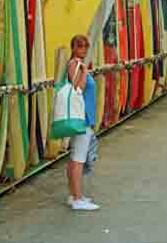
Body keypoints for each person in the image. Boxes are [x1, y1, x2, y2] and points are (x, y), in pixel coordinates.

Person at [66, 34, 100, 211]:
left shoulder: (78, 64)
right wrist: (85, 72)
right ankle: (78, 198)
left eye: (85, 46)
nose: (84, 50)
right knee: (78, 159)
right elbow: (78, 88)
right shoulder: (75, 65)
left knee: (75, 158)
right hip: (82, 118)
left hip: (84, 117)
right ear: (73, 48)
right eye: (80, 46)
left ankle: (75, 195)